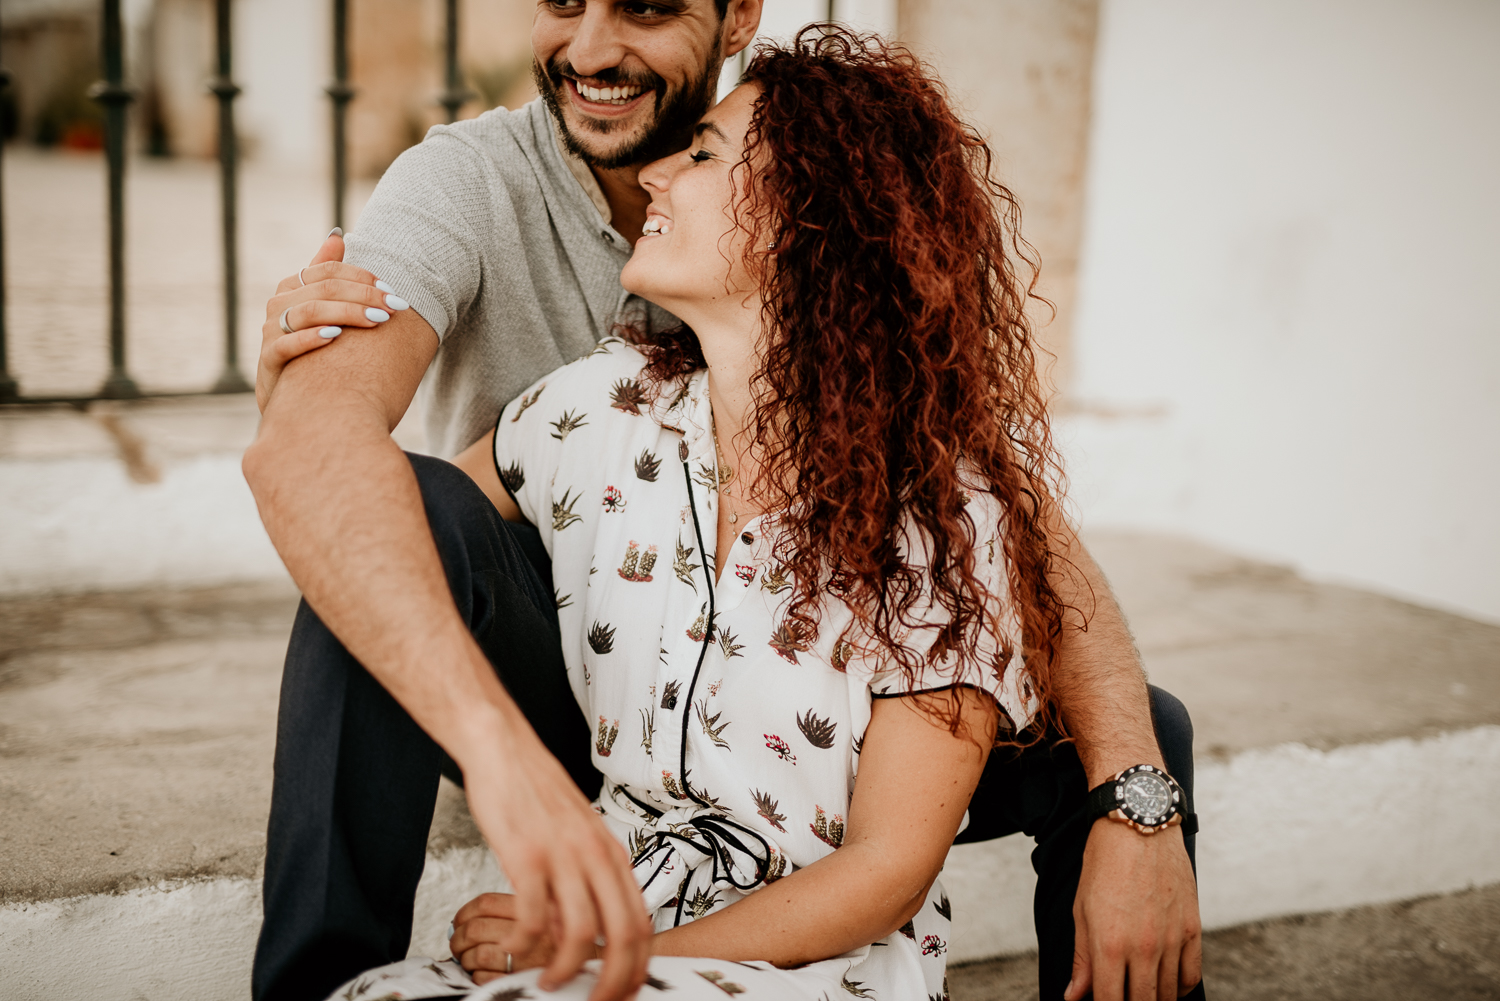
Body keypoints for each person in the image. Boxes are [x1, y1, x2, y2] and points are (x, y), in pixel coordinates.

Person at [246, 6, 1203, 1001]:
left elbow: (1013, 539)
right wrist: (497, 752)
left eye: (649, 5)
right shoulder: (527, 281)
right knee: (390, 513)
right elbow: (324, 462)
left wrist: (1139, 806)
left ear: (737, 12)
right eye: (565, 0)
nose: (591, 48)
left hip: (804, 757)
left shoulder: (908, 453)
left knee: (1140, 732)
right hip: (578, 686)